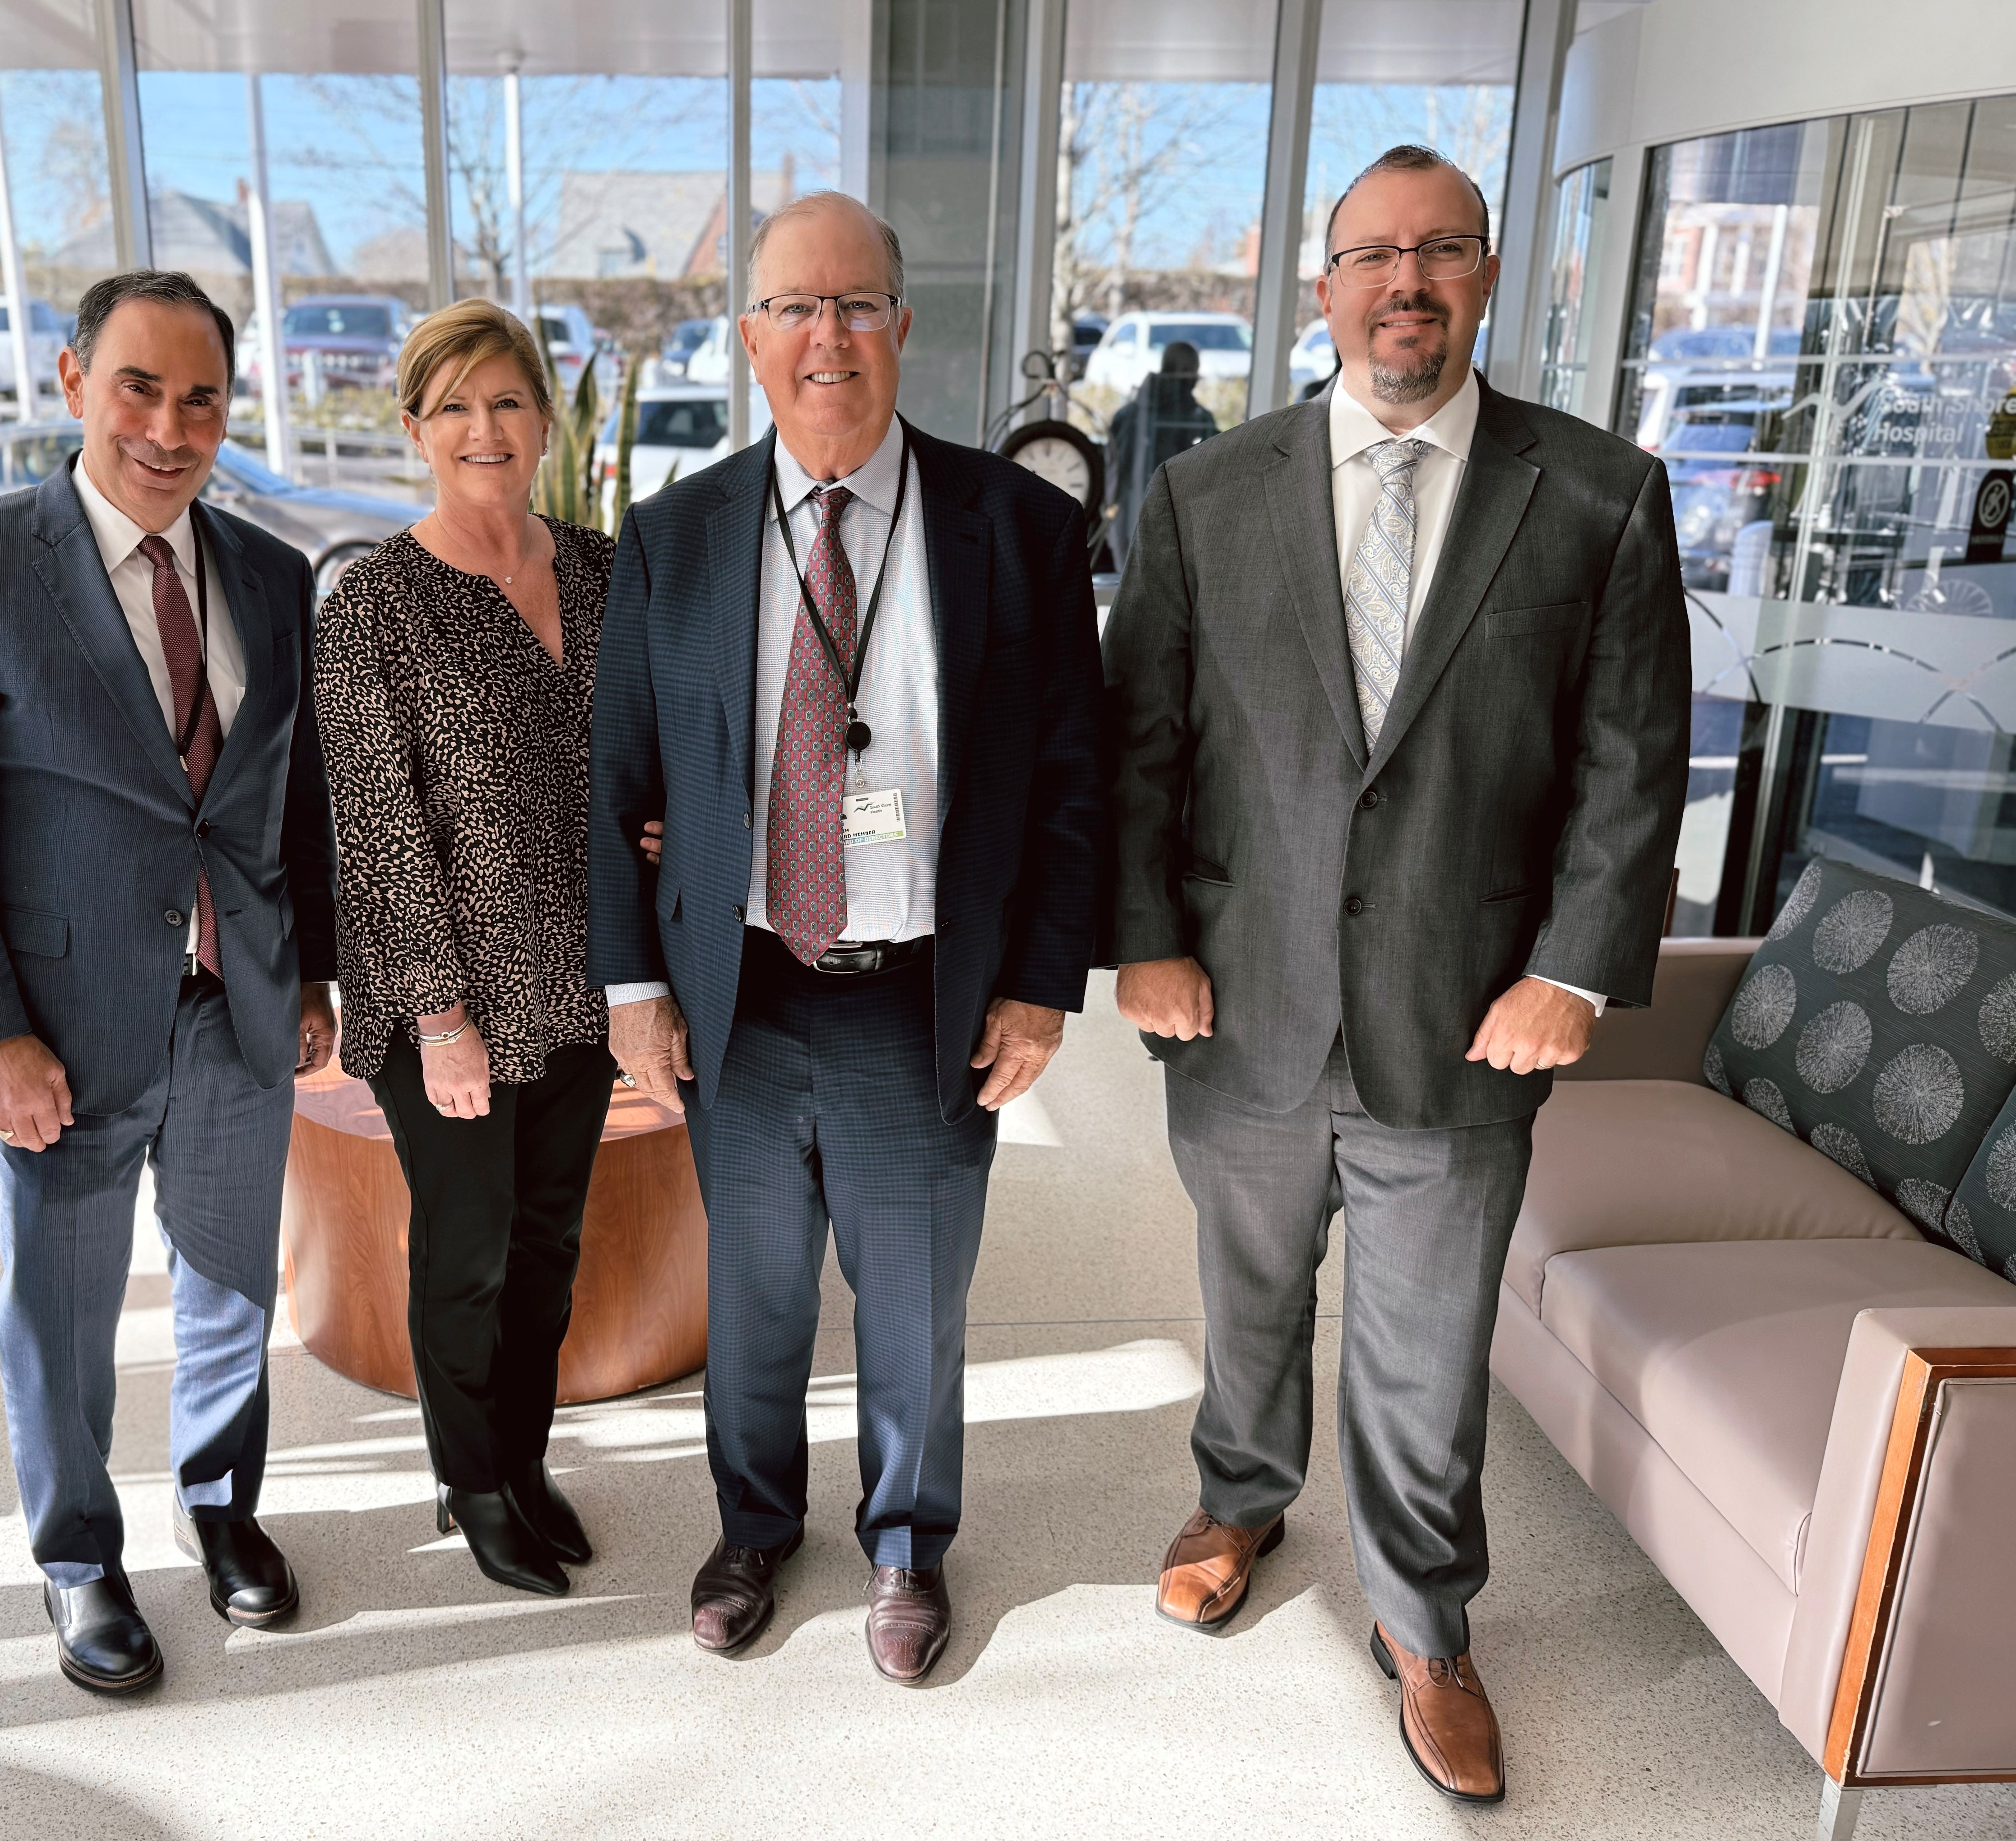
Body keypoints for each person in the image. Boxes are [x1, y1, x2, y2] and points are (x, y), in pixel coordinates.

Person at [1101, 144, 1688, 1801]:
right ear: (1324, 286)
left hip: (1467, 1011)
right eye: (1371, 255)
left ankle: (1425, 1622)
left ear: (1488, 275)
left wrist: (1572, 970)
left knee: (1425, 1345)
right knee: (1247, 1291)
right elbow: (1138, 742)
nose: (1404, 284)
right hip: (1240, 999)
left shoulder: (1596, 493)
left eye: (1439, 252)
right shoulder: (1204, 493)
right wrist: (1142, 938)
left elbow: (1631, 765)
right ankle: (1239, 1497)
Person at [590, 191, 1104, 1684]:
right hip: (741, 994)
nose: (828, 335)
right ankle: (754, 1525)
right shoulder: (675, 536)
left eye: (857, 303)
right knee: (751, 1298)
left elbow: (1075, 782)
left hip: (922, 995)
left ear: (901, 324)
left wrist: (1040, 987)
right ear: (751, 337)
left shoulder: (1020, 529)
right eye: (795, 308)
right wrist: (632, 984)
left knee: (915, 1300)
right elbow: (617, 775)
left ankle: (905, 1541)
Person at [0, 269, 339, 1695]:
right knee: (62, 1311)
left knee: (230, 1282)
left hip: (237, 1003)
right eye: (139, 387)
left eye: (202, 398)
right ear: (74, 380)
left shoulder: (272, 573)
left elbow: (293, 799)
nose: (169, 427)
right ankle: (78, 1553)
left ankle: (221, 1505)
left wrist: (310, 971)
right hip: (58, 1025)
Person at [314, 299, 617, 1600]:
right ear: (414, 429)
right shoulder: (371, 605)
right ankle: (471, 1477)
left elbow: (654, 747)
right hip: (447, 996)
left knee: (549, 1244)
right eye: (453, 407)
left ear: (544, 419)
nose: (482, 429)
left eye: (505, 402)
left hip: (587, 981)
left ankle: (523, 1456)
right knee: (470, 1246)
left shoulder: (606, 570)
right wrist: (440, 1018)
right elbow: (378, 829)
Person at [1104, 340, 1218, 564]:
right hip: (1151, 521)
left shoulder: (1130, 415)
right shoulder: (1195, 420)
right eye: (1191, 373)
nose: (1194, 380)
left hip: (1136, 521)